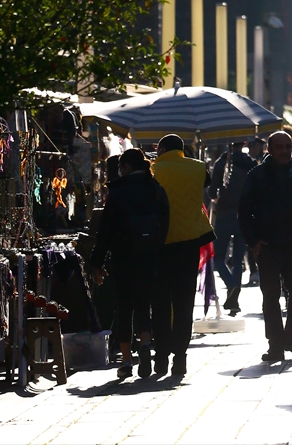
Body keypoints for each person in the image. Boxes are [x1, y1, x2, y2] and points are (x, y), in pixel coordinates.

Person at [90, 148, 169, 379]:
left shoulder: (117, 191)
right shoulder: (155, 189)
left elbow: (104, 231)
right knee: (144, 303)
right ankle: (145, 344)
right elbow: (165, 223)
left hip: (123, 257)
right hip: (149, 256)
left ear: (124, 167)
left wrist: (97, 262)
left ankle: (126, 360)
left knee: (124, 306)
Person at [238, 130, 292, 363]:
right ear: (269, 148)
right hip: (268, 245)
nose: (284, 151)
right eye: (279, 147)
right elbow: (244, 210)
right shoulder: (257, 175)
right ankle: (275, 343)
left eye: (287, 146)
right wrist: (254, 241)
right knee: (271, 295)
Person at [151, 134, 214, 379]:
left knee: (160, 301)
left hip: (160, 243)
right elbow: (206, 184)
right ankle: (180, 356)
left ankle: (162, 356)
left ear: (163, 148)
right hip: (189, 243)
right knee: (184, 302)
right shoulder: (198, 167)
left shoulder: (154, 169)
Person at [208, 141, 254, 315]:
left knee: (218, 256)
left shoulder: (222, 162)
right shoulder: (250, 163)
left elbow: (212, 192)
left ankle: (231, 284)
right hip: (243, 215)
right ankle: (234, 296)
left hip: (224, 214)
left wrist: (216, 195)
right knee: (238, 258)